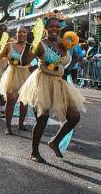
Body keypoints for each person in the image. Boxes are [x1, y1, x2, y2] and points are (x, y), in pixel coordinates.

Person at [18, 13, 85, 163]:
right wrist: (29, 44)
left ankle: (55, 141)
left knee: (74, 116)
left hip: (59, 83)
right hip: (41, 82)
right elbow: (24, 61)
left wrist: (68, 69)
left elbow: (76, 57)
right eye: (51, 26)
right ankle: (34, 151)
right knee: (42, 118)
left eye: (57, 26)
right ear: (46, 28)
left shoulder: (65, 43)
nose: (54, 29)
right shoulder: (40, 44)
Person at [0, 26, 33, 135]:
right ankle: (8, 127)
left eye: (24, 32)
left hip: (25, 73)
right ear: (16, 34)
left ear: (27, 34)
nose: (21, 34)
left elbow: (30, 60)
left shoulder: (31, 47)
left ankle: (21, 124)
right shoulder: (9, 45)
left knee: (24, 101)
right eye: (19, 32)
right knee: (11, 101)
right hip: (12, 74)